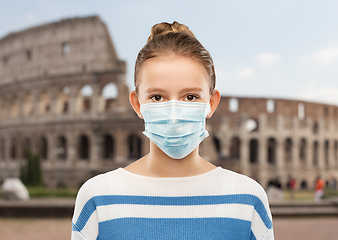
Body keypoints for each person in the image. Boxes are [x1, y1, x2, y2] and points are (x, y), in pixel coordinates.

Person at [71, 21, 274, 240]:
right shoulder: (97, 198)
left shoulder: (248, 199)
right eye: (157, 97)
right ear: (137, 104)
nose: (174, 113)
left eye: (190, 97)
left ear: (212, 103)